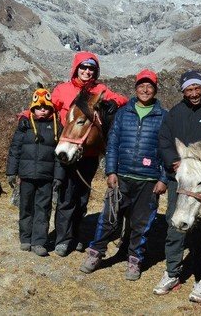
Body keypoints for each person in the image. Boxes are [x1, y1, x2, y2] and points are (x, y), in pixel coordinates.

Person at [80, 69, 168, 281]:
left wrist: (163, 178)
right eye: (141, 85)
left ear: (155, 90)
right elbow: (112, 144)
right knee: (108, 218)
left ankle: (134, 260)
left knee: (141, 223)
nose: (145, 90)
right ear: (135, 88)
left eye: (150, 86)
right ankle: (96, 253)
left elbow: (168, 149)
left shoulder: (164, 116)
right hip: (122, 176)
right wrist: (111, 171)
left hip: (148, 180)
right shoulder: (123, 113)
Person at [155, 70, 201, 302]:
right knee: (174, 223)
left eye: (197, 88)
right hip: (181, 179)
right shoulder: (174, 113)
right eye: (189, 89)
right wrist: (173, 162)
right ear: (183, 91)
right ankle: (172, 272)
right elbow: (164, 140)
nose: (194, 94)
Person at [51, 51, 128, 257]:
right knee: (66, 196)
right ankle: (62, 239)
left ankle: (76, 236)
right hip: (67, 149)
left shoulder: (99, 90)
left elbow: (122, 99)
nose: (86, 72)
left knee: (82, 197)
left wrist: (114, 103)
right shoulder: (62, 90)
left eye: (91, 68)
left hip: (89, 154)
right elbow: (46, 108)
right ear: (76, 68)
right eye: (83, 68)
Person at [6, 85, 64, 257]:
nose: (42, 111)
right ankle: (25, 238)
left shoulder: (56, 126)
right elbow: (15, 149)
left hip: (46, 177)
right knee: (26, 207)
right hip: (26, 175)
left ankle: (39, 242)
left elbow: (59, 155)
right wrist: (11, 172)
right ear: (32, 108)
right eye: (38, 107)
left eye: (46, 107)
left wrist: (59, 177)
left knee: (43, 209)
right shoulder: (24, 125)